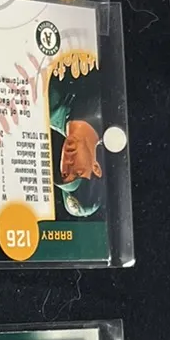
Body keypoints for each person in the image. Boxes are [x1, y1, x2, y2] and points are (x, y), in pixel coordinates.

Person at [46, 53, 104, 218]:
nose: (68, 163)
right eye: (77, 172)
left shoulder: (46, 110)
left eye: (64, 174)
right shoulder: (113, 115)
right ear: (96, 168)